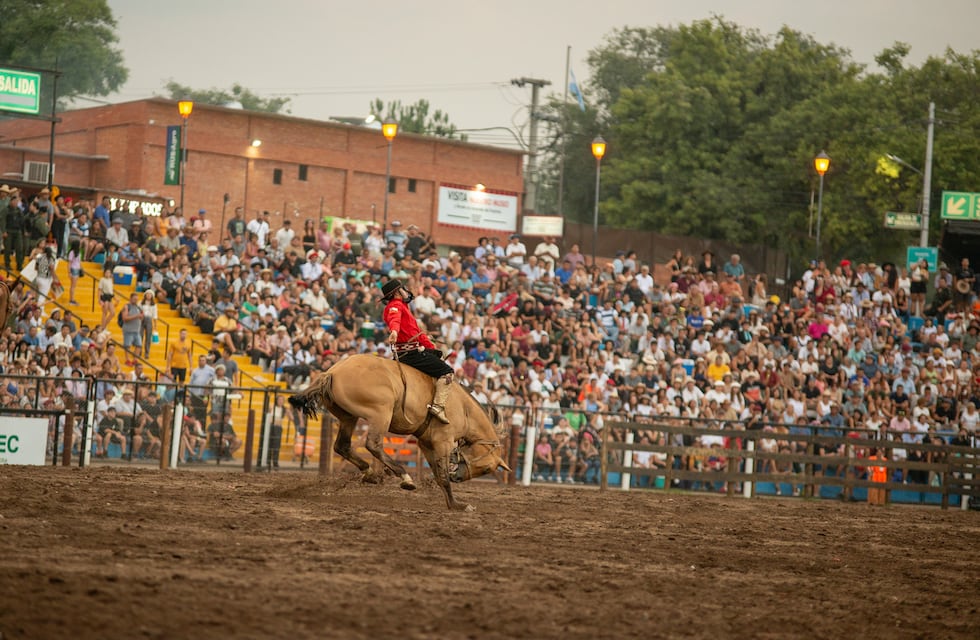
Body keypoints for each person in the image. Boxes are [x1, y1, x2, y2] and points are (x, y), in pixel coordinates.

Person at [381, 278, 454, 424]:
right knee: (447, 372)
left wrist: (433, 349)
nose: (406, 290)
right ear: (397, 292)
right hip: (411, 354)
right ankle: (438, 406)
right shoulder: (395, 306)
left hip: (411, 350)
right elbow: (394, 319)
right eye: (403, 288)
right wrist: (394, 331)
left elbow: (418, 334)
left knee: (436, 357)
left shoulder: (402, 306)